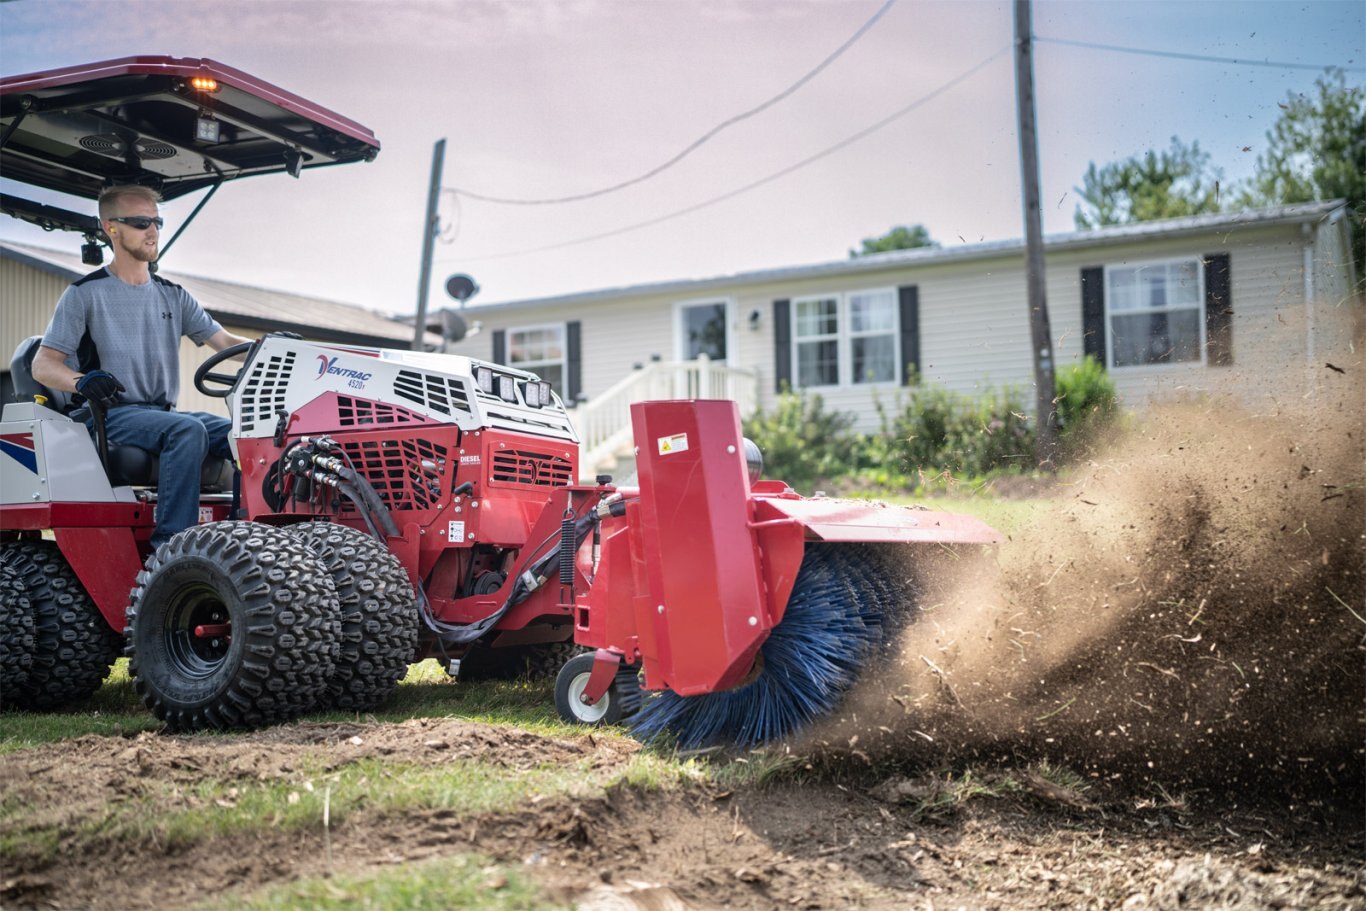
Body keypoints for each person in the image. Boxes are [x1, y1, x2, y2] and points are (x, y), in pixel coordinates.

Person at [31, 185, 254, 549]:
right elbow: (43, 365)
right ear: (111, 228)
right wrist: (83, 381)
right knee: (187, 431)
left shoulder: (173, 295)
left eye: (156, 222)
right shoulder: (85, 294)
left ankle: (244, 535)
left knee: (243, 433)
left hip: (159, 414)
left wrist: (275, 347)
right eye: (140, 222)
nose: (152, 231)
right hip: (108, 413)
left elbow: (227, 344)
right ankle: (170, 549)